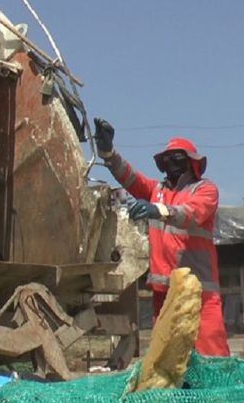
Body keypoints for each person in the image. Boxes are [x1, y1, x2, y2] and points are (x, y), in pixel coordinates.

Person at [93, 118, 230, 356]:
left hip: (198, 293)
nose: (172, 164)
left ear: (192, 163)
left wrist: (158, 210)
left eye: (178, 158)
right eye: (167, 160)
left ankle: (218, 395)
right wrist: (108, 153)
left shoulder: (205, 190)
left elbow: (191, 213)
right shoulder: (158, 190)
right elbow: (130, 178)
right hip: (164, 293)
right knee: (165, 359)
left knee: (211, 356)